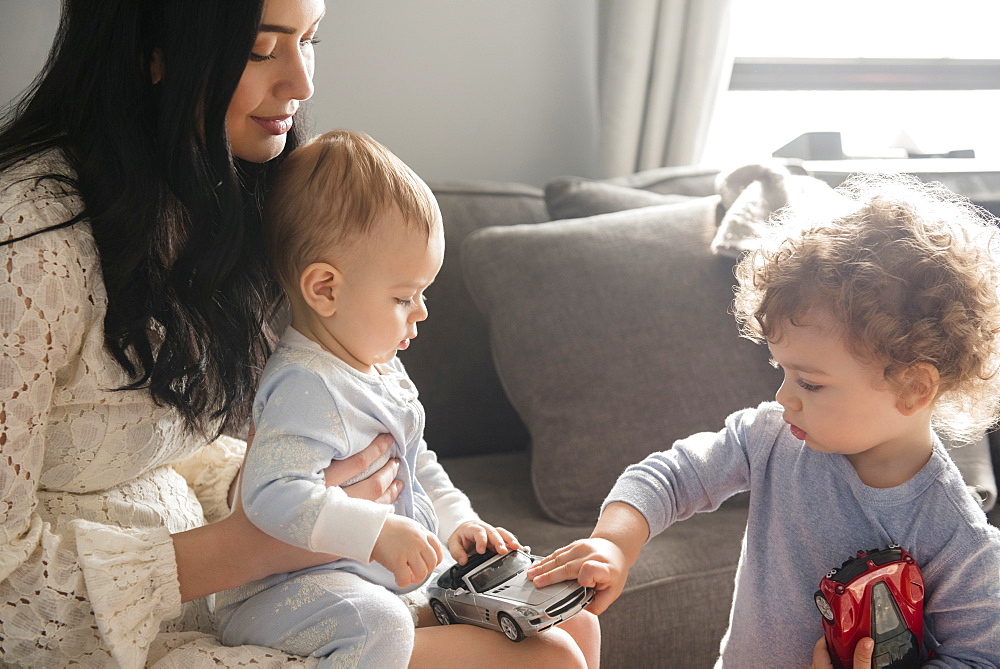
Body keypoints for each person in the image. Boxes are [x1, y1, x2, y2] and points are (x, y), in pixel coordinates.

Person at [0, 2, 599, 667]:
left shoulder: (207, 203)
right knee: (550, 659)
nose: (303, 83)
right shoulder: (28, 250)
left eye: (310, 40)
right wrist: (272, 536)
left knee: (574, 631)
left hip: (223, 576)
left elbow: (149, 444)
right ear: (155, 50)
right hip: (103, 629)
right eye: (263, 49)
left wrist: (282, 488)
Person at [527, 174, 1000, 666]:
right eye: (783, 372)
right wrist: (614, 544)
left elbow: (980, 657)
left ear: (913, 387)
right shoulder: (772, 437)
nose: (783, 397)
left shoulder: (955, 535)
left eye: (810, 383)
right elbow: (670, 474)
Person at [217, 128, 531, 666]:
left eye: (423, 294)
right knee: (380, 623)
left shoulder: (379, 368)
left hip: (357, 581)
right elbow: (271, 494)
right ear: (325, 289)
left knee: (521, 604)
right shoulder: (305, 383)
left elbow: (418, 461)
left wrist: (461, 524)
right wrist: (380, 531)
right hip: (277, 596)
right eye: (404, 297)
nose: (423, 312)